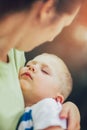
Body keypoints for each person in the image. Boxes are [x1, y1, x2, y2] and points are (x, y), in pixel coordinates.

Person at [0, 0, 82, 130]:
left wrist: (66, 108)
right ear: (47, 9)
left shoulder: (17, 55)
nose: (51, 38)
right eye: (63, 25)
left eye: (44, 71)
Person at [17, 53, 73, 130]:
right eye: (28, 65)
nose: (32, 67)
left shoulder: (49, 106)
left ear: (57, 99)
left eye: (44, 71)